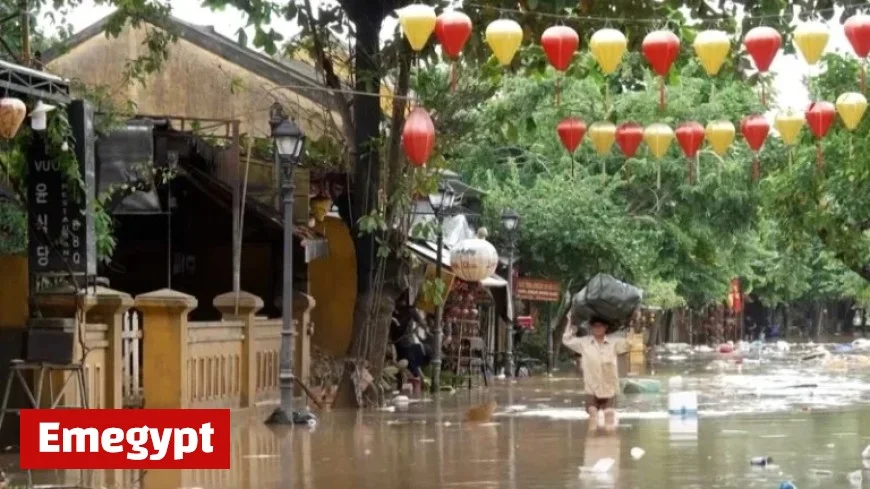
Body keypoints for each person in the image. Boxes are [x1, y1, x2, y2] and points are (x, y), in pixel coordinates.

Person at [562, 316, 630, 431]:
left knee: (609, 416)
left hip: (609, 387)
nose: (598, 328)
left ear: (606, 327)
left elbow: (629, 344)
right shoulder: (584, 342)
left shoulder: (614, 342)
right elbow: (567, 340)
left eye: (600, 326)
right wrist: (569, 321)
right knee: (593, 414)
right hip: (591, 387)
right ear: (591, 327)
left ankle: (609, 445)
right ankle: (593, 443)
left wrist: (633, 324)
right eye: (595, 326)